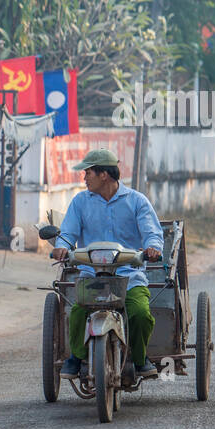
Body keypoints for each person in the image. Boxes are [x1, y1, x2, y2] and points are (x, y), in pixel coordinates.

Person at [50, 149, 164, 380]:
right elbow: (68, 232)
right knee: (77, 313)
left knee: (141, 313)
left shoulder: (137, 201)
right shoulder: (80, 202)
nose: (85, 177)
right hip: (92, 276)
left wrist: (153, 248)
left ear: (104, 175)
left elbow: (152, 233)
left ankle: (140, 359)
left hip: (129, 277)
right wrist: (62, 246)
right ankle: (77, 356)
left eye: (88, 172)